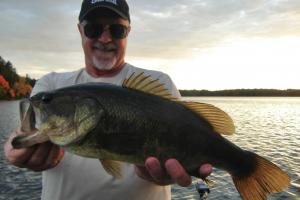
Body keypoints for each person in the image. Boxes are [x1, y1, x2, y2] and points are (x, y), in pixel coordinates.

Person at [4, 0, 212, 199]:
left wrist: (167, 177)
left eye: (116, 30)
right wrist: (14, 151)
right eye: (93, 29)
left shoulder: (159, 83)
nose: (105, 39)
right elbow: (24, 134)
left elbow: (185, 138)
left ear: (128, 32)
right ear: (80, 30)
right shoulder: (51, 85)